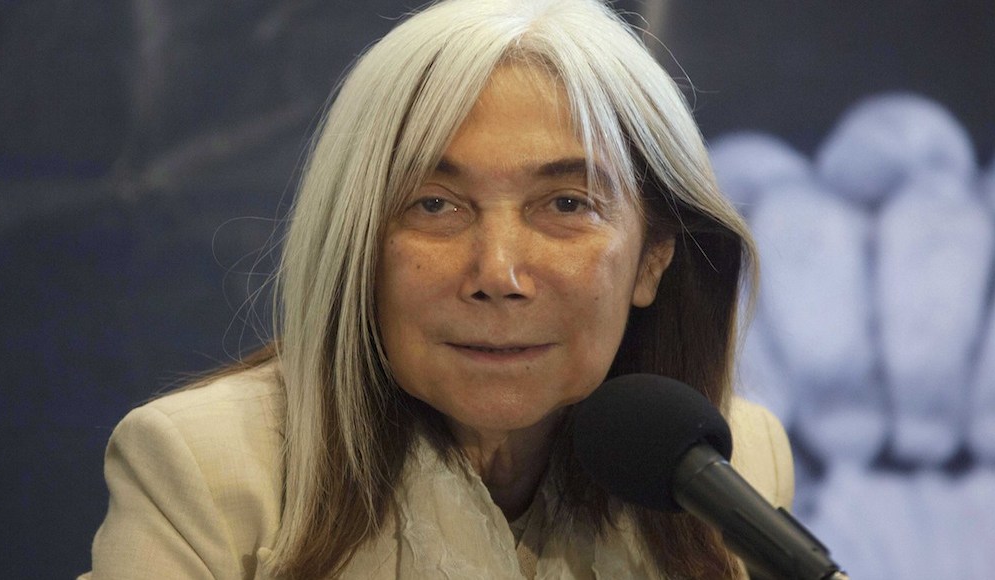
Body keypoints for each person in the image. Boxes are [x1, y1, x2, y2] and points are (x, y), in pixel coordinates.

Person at [82, 0, 794, 578]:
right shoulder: (205, 468)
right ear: (358, 247)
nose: (498, 275)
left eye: (566, 204)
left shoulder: (728, 465)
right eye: (435, 205)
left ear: (652, 261)